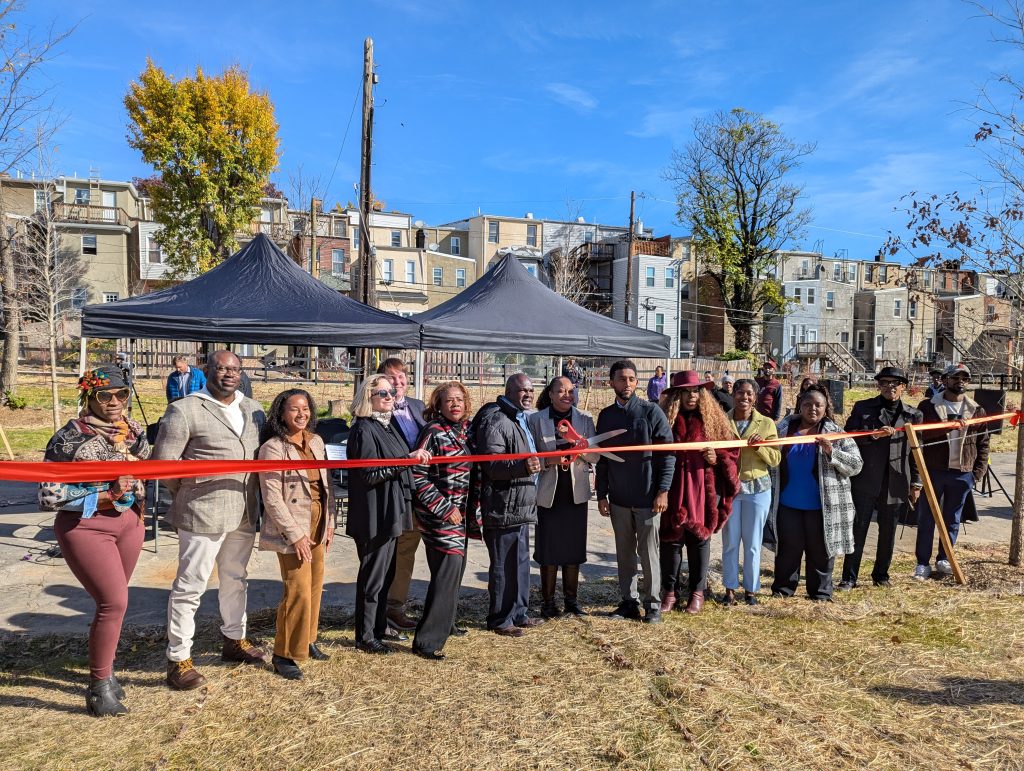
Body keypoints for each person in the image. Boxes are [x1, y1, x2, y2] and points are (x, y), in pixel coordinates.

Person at [38, 365, 149, 716]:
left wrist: (139, 510)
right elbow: (48, 496)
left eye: (122, 395)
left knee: (116, 604)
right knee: (113, 603)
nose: (115, 402)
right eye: (106, 396)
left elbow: (145, 468)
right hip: (86, 527)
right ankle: (99, 687)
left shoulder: (134, 432)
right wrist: (105, 496)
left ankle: (108, 672)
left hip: (129, 525)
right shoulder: (68, 439)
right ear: (90, 396)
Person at [154, 350, 268, 690]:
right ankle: (179, 659)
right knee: (190, 586)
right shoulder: (184, 409)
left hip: (244, 511)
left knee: (236, 578)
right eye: (221, 368)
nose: (229, 374)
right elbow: (164, 466)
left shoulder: (253, 409)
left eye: (234, 369)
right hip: (201, 512)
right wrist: (188, 495)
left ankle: (234, 639)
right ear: (208, 371)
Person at [346, 375, 431, 654]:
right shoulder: (363, 429)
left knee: (386, 574)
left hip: (392, 509)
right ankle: (365, 635)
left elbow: (398, 463)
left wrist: (411, 456)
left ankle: (379, 628)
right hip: (374, 513)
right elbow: (369, 474)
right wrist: (405, 461)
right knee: (373, 577)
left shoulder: (388, 425)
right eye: (382, 393)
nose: (389, 397)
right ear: (367, 397)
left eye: (392, 392)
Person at [257, 389, 335, 681]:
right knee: (297, 589)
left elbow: (327, 485)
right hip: (293, 523)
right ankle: (284, 653)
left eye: (306, 408)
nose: (301, 414)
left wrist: (330, 523)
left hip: (317, 517)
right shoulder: (274, 448)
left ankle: (307, 639)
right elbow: (273, 497)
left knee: (315, 584)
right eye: (294, 409)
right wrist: (295, 534)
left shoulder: (316, 441)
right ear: (281, 413)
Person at [595, 360, 675, 624]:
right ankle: (629, 602)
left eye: (631, 379)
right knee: (624, 552)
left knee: (649, 553)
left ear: (637, 382)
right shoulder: (606, 416)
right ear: (611, 382)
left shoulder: (651, 412)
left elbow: (668, 455)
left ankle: (653, 605)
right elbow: (603, 458)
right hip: (619, 499)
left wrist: (663, 490)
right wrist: (602, 494)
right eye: (621, 379)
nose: (626, 383)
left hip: (648, 498)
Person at [771, 385, 863, 601]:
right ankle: (783, 590)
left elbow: (856, 465)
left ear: (825, 408)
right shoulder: (783, 429)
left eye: (818, 405)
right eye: (808, 404)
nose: (813, 409)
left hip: (822, 506)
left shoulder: (836, 433)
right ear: (800, 406)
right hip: (788, 503)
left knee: (820, 551)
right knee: (788, 551)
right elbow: (768, 455)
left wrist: (832, 451)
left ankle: (820, 593)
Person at [658, 371, 739, 614]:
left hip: (703, 488)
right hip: (672, 488)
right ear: (676, 395)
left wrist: (717, 458)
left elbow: (732, 452)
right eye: (686, 391)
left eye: (695, 391)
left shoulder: (714, 420)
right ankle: (670, 592)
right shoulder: (664, 420)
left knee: (699, 540)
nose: (691, 396)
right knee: (671, 541)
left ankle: (697, 592)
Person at [839, 367, 923, 590]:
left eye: (895, 383)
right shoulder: (863, 408)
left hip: (896, 481)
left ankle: (881, 574)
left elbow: (917, 451)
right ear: (878, 385)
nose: (890, 387)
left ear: (903, 386)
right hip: (866, 479)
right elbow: (847, 438)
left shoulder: (913, 415)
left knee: (888, 531)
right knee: (858, 528)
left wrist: (916, 483)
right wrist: (873, 435)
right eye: (885, 382)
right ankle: (849, 577)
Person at [473, 373, 544, 637]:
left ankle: (519, 613)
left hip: (522, 504)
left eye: (530, 390)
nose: (527, 394)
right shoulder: (496, 420)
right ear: (508, 391)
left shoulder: (519, 419)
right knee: (504, 566)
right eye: (522, 390)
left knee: (521, 562)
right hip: (503, 505)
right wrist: (522, 466)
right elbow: (491, 465)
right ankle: (500, 619)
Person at [410, 382, 475, 660]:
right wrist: (444, 508)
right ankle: (427, 641)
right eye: (449, 401)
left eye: (459, 400)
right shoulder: (432, 432)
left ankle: (446, 623)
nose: (455, 405)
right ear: (438, 405)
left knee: (454, 572)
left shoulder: (465, 431)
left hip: (462, 516)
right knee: (447, 571)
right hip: (439, 515)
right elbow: (418, 476)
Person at [528, 376, 599, 618]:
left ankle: (571, 600)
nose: (566, 395)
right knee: (548, 548)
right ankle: (547, 602)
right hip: (549, 491)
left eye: (570, 391)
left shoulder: (585, 418)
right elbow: (529, 455)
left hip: (575, 491)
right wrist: (550, 460)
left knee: (573, 547)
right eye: (560, 391)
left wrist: (582, 449)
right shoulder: (535, 420)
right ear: (550, 394)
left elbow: (596, 457)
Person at [913, 364, 990, 580]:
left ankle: (944, 558)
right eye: (956, 377)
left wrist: (976, 473)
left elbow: (983, 444)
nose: (961, 381)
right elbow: (919, 437)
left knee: (952, 519)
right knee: (927, 518)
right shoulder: (928, 406)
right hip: (934, 471)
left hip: (962, 473)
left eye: (965, 377)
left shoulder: (977, 410)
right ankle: (922, 563)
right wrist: (946, 427)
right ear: (945, 380)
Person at [377, 357, 428, 632]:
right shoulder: (377, 408)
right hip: (393, 489)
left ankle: (396, 607)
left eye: (402, 377)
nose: (398, 383)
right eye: (391, 378)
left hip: (421, 491)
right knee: (388, 551)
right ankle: (381, 608)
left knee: (408, 548)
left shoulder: (419, 407)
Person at [721, 378, 781, 606]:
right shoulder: (722, 421)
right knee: (730, 541)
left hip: (758, 490)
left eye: (748, 394)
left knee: (753, 542)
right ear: (733, 394)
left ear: (755, 397)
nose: (743, 398)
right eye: (739, 393)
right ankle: (729, 589)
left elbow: (775, 459)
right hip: (731, 489)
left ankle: (751, 590)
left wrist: (760, 447)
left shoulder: (766, 424)